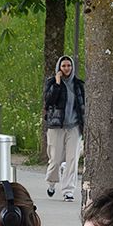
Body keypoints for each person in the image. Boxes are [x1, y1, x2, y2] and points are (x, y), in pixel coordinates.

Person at [43, 55, 85, 202]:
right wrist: (58, 82)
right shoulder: (51, 83)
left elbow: (83, 106)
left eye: (69, 66)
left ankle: (68, 190)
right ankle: (52, 183)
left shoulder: (79, 84)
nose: (67, 68)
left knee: (72, 159)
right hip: (56, 126)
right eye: (64, 66)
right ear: (59, 68)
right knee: (55, 159)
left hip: (73, 127)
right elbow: (49, 101)